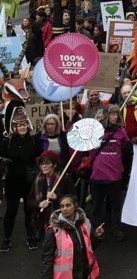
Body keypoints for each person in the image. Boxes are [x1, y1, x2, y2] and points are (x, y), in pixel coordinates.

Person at [0, 109, 42, 252]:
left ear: (28, 125)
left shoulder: (34, 140)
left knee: (29, 211)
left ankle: (30, 237)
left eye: (24, 124)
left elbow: (41, 157)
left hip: (29, 182)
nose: (22, 126)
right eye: (19, 125)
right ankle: (7, 238)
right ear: (14, 127)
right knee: (10, 212)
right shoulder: (7, 142)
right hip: (12, 181)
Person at [88, 104, 131, 242]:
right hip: (97, 175)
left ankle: (116, 229)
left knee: (115, 206)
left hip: (114, 176)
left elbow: (126, 151)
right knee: (96, 205)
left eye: (116, 114)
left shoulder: (121, 132)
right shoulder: (96, 130)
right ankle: (95, 229)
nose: (114, 117)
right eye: (112, 114)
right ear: (106, 115)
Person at [40, 194, 104, 279]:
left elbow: (90, 246)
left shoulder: (85, 223)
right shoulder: (53, 231)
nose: (64, 209)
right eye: (62, 206)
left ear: (75, 206)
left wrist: (97, 236)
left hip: (85, 273)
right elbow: (47, 259)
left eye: (68, 205)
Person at [33, 151, 75, 238]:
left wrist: (57, 197)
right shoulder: (38, 178)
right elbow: (29, 200)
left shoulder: (65, 178)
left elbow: (73, 197)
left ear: (54, 165)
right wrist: (38, 204)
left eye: (47, 163)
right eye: (42, 164)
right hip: (42, 220)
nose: (43, 166)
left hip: (60, 218)